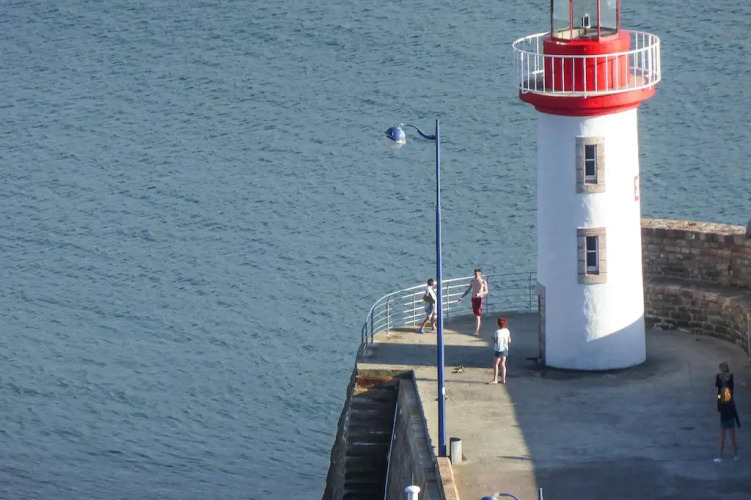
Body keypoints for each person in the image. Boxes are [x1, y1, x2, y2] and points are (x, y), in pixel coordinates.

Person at [714, 361, 741, 462]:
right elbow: (717, 385)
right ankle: (733, 455)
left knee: (726, 435)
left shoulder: (730, 376)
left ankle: (723, 456)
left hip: (726, 403)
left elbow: (731, 387)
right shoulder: (719, 376)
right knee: (729, 435)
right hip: (724, 402)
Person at [458, 268, 488, 336]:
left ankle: (477, 331)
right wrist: (461, 297)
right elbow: (468, 290)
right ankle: (479, 323)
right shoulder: (472, 281)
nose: (475, 275)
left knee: (478, 315)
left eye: (476, 274)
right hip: (474, 299)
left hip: (479, 299)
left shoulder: (483, 282)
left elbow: (486, 291)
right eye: (474, 274)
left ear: (480, 274)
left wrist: (480, 294)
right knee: (476, 314)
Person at [490, 317, 511, 384]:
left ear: (498, 324)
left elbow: (497, 342)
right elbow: (509, 341)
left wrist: (492, 338)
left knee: (496, 364)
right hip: (505, 349)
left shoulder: (497, 332)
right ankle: (503, 379)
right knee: (503, 364)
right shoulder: (507, 331)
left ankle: (495, 379)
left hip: (499, 350)